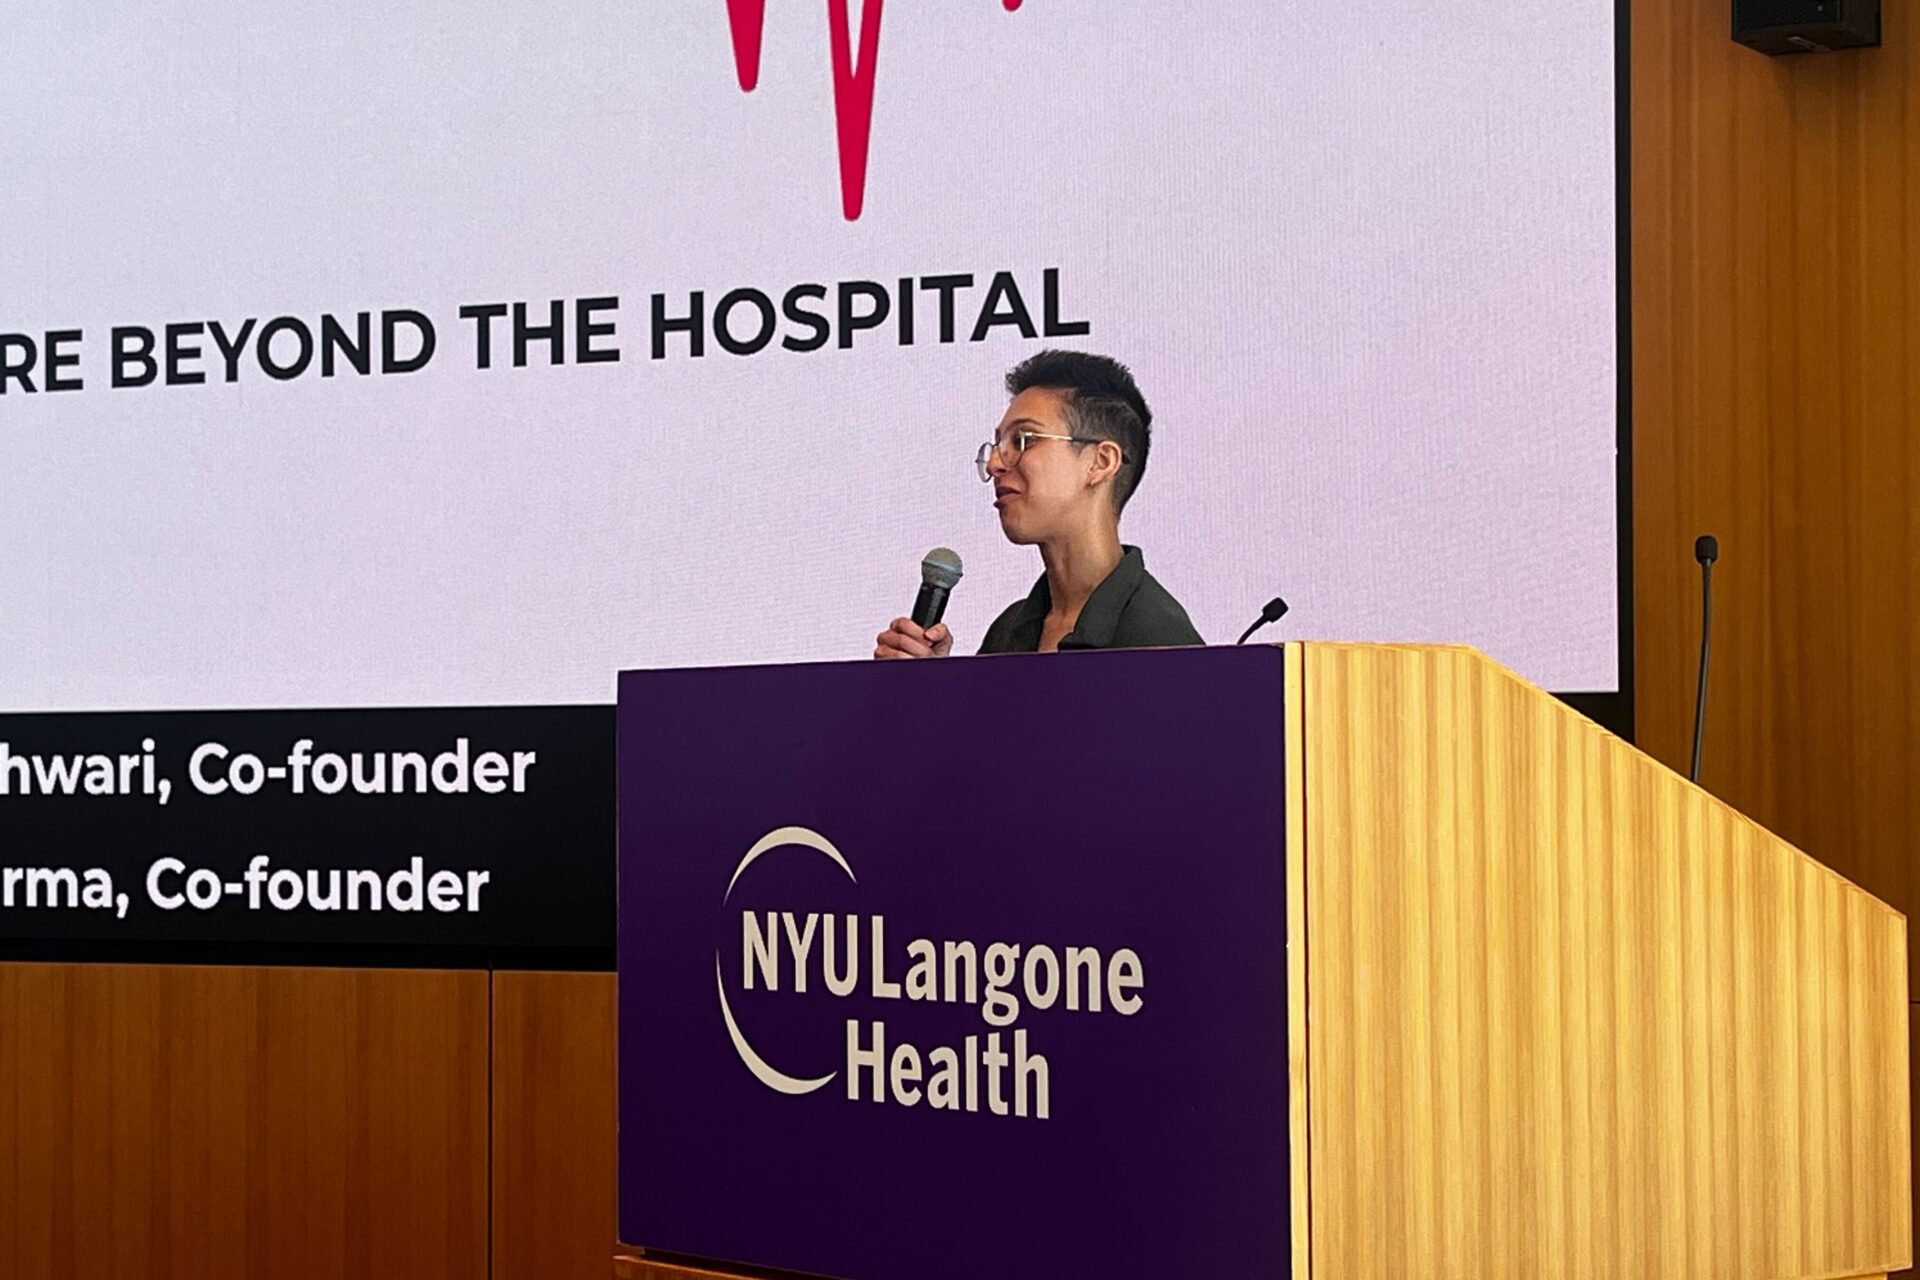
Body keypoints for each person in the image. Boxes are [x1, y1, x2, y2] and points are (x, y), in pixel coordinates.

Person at [875, 349, 1202, 658]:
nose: (995, 464)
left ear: (1101, 462)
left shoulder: (1160, 644)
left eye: (1024, 440)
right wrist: (933, 683)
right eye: (999, 444)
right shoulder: (1009, 632)